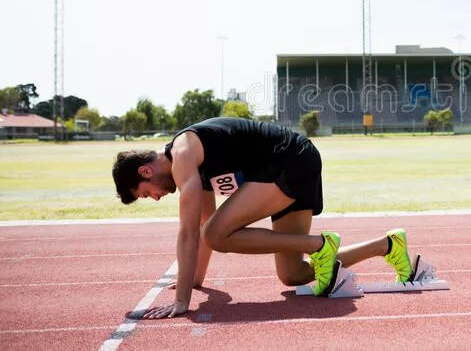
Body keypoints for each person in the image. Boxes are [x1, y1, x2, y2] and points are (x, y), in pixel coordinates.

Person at [112, 117, 413, 319]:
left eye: (145, 193)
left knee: (216, 235)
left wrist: (181, 303)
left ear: (146, 171)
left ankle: (317, 244)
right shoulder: (194, 170)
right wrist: (192, 282)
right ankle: (386, 246)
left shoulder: (183, 153)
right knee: (292, 275)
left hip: (290, 159)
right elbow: (205, 221)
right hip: (288, 167)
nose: (155, 197)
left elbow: (190, 232)